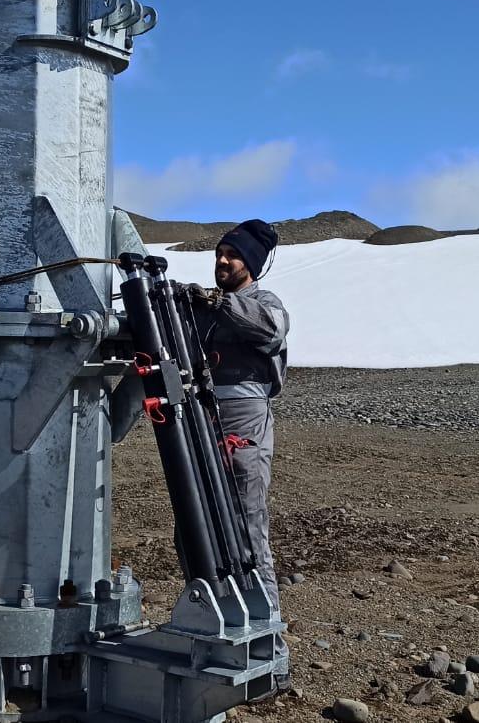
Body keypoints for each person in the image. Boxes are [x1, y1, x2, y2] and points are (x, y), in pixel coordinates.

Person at [186, 218, 290, 688]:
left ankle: (270, 648)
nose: (223, 262)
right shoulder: (205, 310)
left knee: (246, 528)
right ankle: (211, 626)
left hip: (245, 416)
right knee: (196, 524)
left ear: (252, 264)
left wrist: (221, 303)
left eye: (233, 256)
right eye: (220, 254)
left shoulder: (263, 303)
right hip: (201, 414)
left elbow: (268, 331)